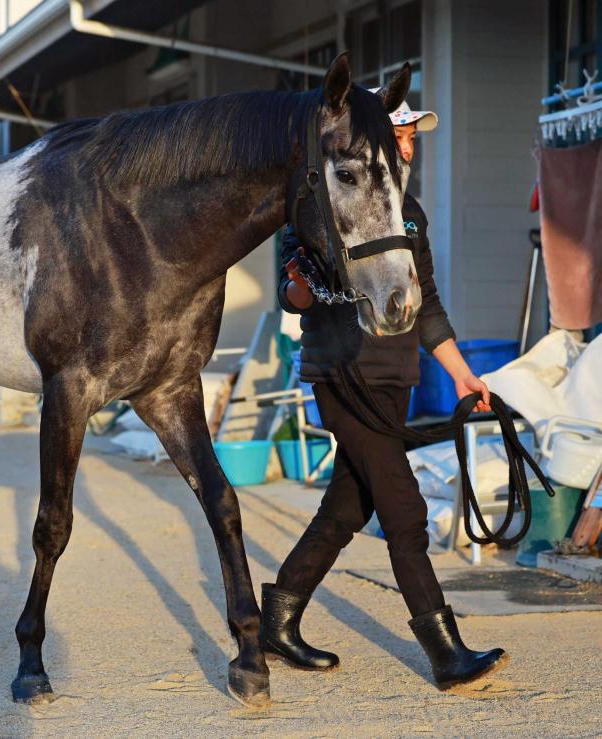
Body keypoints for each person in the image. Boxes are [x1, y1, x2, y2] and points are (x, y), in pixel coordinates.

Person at [261, 95, 507, 689]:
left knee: (347, 507)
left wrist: (459, 372)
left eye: (412, 137)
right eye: (397, 134)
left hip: (395, 380)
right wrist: (303, 287)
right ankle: (446, 654)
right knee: (404, 510)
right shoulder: (322, 203)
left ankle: (278, 617)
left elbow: (428, 307)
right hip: (343, 376)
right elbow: (288, 295)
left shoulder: (408, 212)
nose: (406, 144)